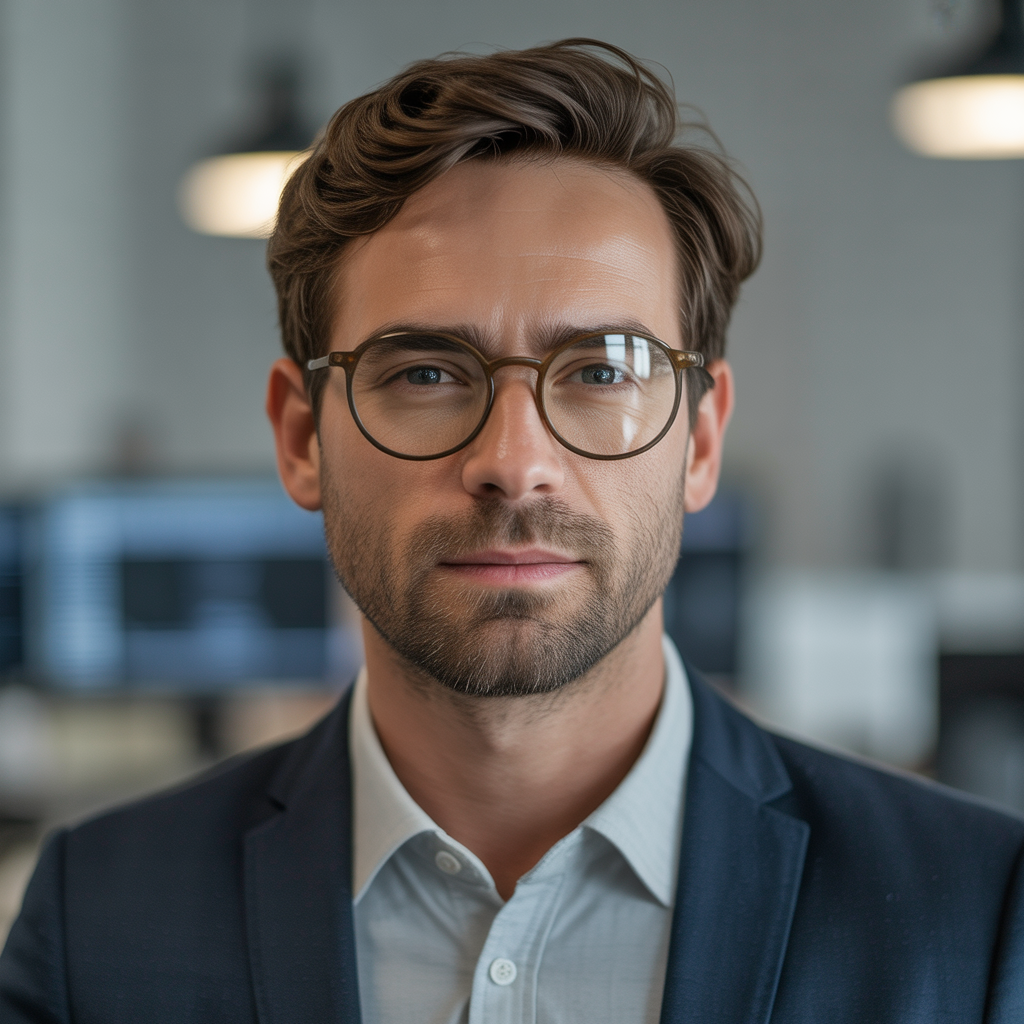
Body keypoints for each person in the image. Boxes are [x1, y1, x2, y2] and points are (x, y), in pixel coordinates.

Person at [2, 38, 1023, 1024]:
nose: (513, 460)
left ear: (700, 438)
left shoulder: (975, 915)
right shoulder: (97, 919)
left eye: (599, 371)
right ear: (303, 435)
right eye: (425, 373)